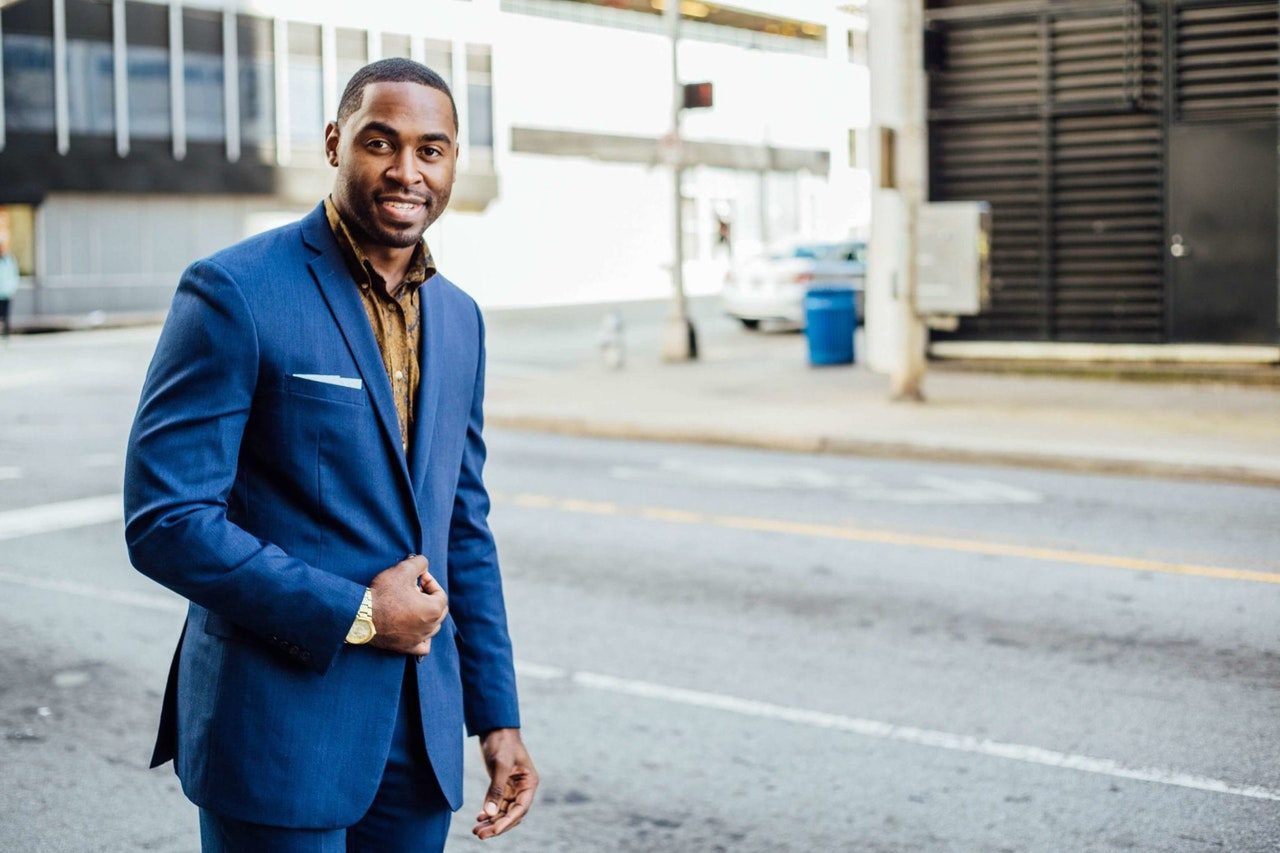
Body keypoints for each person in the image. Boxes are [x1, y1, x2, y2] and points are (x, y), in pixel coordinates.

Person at [124, 58, 537, 852]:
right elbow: (166, 521)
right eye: (380, 142)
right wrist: (358, 612)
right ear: (333, 144)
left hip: (419, 738)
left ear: (454, 162)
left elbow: (462, 526)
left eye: (431, 149)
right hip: (277, 730)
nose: (407, 170)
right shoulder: (235, 290)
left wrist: (497, 716)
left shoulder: (461, 319)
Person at [0, 229, 18, 340]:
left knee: (6, 315)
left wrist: (12, 288)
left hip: (7, 291)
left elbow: (14, 274)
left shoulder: (9, 259)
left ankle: (6, 335)